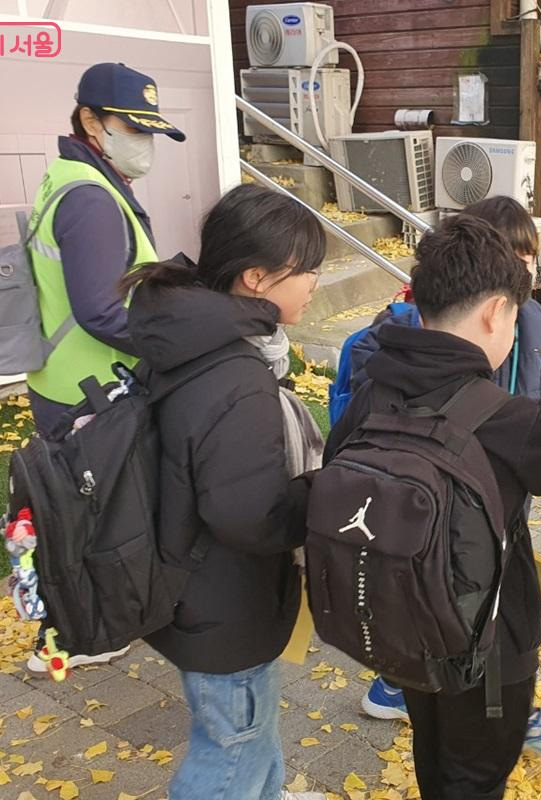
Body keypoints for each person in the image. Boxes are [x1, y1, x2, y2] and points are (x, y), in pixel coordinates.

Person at [326, 215, 541, 799]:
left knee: (435, 756)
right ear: (494, 312)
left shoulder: (373, 386)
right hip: (488, 645)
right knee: (476, 778)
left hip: (401, 623)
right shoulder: (506, 417)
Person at [123, 184, 323, 800]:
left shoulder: (192, 335)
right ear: (257, 278)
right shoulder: (232, 373)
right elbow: (249, 512)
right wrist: (326, 491)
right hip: (223, 599)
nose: (315, 282)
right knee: (230, 750)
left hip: (193, 580)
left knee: (248, 730)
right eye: (305, 270)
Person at [23, 61, 185, 675]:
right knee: (91, 521)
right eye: (132, 128)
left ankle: (70, 630)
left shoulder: (75, 177)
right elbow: (99, 310)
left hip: (65, 382)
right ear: (90, 120)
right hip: (89, 390)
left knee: (74, 516)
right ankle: (77, 636)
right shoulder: (90, 197)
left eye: (150, 131)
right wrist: (172, 338)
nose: (143, 144)